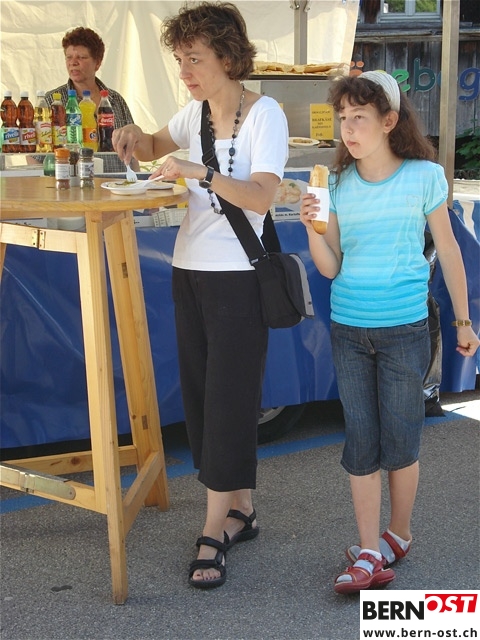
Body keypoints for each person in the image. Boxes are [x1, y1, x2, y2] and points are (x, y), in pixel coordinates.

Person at [112, 1, 288, 589]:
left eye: (195, 58)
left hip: (239, 274)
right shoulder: (193, 114)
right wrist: (134, 137)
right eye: (180, 59)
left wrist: (199, 173)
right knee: (202, 395)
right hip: (188, 268)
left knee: (228, 398)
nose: (184, 70)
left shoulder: (265, 114)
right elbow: (153, 144)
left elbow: (261, 197)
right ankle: (241, 509)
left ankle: (214, 528)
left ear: (228, 57)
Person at [300, 71, 479, 595]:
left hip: (405, 329)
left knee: (402, 439)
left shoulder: (424, 176)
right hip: (349, 329)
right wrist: (312, 229)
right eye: (343, 118)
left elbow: (449, 249)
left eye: (359, 117)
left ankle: (398, 533)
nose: (348, 128)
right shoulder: (335, 184)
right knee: (361, 441)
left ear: (389, 121)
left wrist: (463, 321)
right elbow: (330, 267)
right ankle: (369, 552)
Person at [45, 27, 137, 173]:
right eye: (69, 57)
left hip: (116, 182)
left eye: (81, 57)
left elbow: (133, 150)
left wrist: (135, 179)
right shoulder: (53, 101)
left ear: (98, 63)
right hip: (71, 183)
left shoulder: (116, 100)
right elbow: (35, 156)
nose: (73, 62)